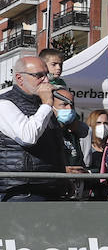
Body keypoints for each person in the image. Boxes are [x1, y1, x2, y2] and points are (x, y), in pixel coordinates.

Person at [0, 54, 65, 201]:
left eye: (46, 75)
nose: (46, 80)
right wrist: (47, 104)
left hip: (48, 188)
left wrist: (62, 178)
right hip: (21, 190)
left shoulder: (41, 106)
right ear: (19, 78)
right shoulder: (5, 104)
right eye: (39, 75)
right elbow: (28, 137)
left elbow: (56, 147)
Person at [51, 84, 89, 199]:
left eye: (72, 105)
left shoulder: (74, 132)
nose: (69, 109)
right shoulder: (45, 133)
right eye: (64, 104)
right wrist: (62, 171)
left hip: (76, 195)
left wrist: (85, 173)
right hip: (54, 194)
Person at [84, 108, 108, 200]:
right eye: (98, 123)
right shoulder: (86, 147)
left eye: (105, 123)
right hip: (90, 197)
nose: (103, 126)